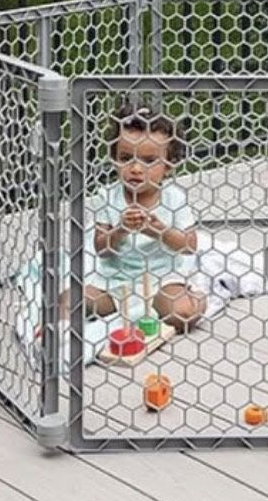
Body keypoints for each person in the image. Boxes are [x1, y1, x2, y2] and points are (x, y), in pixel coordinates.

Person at [77, 104, 207, 332]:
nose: (136, 168)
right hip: (116, 280)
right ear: (114, 159)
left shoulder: (174, 198)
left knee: (183, 314)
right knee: (73, 301)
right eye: (126, 158)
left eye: (148, 161)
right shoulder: (107, 197)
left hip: (162, 280)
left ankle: (197, 297)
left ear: (169, 165)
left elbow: (189, 246)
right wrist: (121, 230)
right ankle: (54, 330)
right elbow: (101, 248)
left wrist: (159, 231)